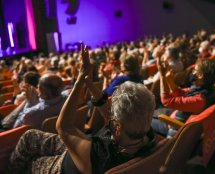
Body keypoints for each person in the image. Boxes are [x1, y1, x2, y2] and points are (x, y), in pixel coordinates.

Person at [7, 45, 156, 174]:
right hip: (83, 151)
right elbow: (107, 109)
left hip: (64, 166)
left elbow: (64, 127)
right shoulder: (146, 134)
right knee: (30, 136)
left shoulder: (98, 154)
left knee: (33, 160)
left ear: (117, 126)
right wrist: (88, 82)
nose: (109, 110)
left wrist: (79, 80)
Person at [152, 58, 215, 138]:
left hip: (174, 125)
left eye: (195, 70)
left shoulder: (200, 100)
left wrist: (162, 76)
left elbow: (166, 101)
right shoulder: (207, 89)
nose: (193, 72)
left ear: (200, 75)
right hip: (176, 117)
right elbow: (180, 93)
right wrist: (169, 79)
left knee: (143, 121)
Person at [1, 73, 68, 130]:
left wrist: (30, 103)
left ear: (41, 89)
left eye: (38, 86)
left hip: (7, 130)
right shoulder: (69, 98)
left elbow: (16, 127)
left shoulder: (32, 113)